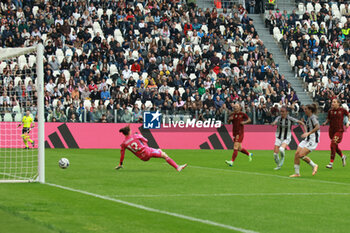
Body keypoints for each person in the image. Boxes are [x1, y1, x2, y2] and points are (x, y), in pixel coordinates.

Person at [116, 126, 187, 172]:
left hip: (142, 157)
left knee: (159, 150)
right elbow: (146, 140)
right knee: (164, 155)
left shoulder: (124, 143)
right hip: (148, 152)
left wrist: (120, 163)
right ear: (129, 132)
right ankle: (177, 167)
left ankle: (177, 166)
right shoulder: (136, 136)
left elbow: (122, 154)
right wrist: (140, 136)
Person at [290, 104, 319, 178]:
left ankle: (314, 165)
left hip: (312, 140)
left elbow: (317, 126)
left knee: (301, 155)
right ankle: (297, 173)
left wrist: (308, 133)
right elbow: (308, 129)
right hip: (307, 139)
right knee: (297, 154)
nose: (304, 110)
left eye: (306, 109)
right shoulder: (308, 118)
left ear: (310, 110)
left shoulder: (313, 118)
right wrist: (303, 126)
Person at [322, 99, 350, 169]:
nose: (332, 103)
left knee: (332, 145)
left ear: (338, 103)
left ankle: (331, 163)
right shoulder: (330, 111)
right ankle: (343, 156)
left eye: (334, 102)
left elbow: (349, 115)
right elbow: (328, 119)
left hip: (339, 131)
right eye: (332, 102)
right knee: (335, 146)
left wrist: (348, 122)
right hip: (331, 131)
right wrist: (325, 123)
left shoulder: (342, 110)